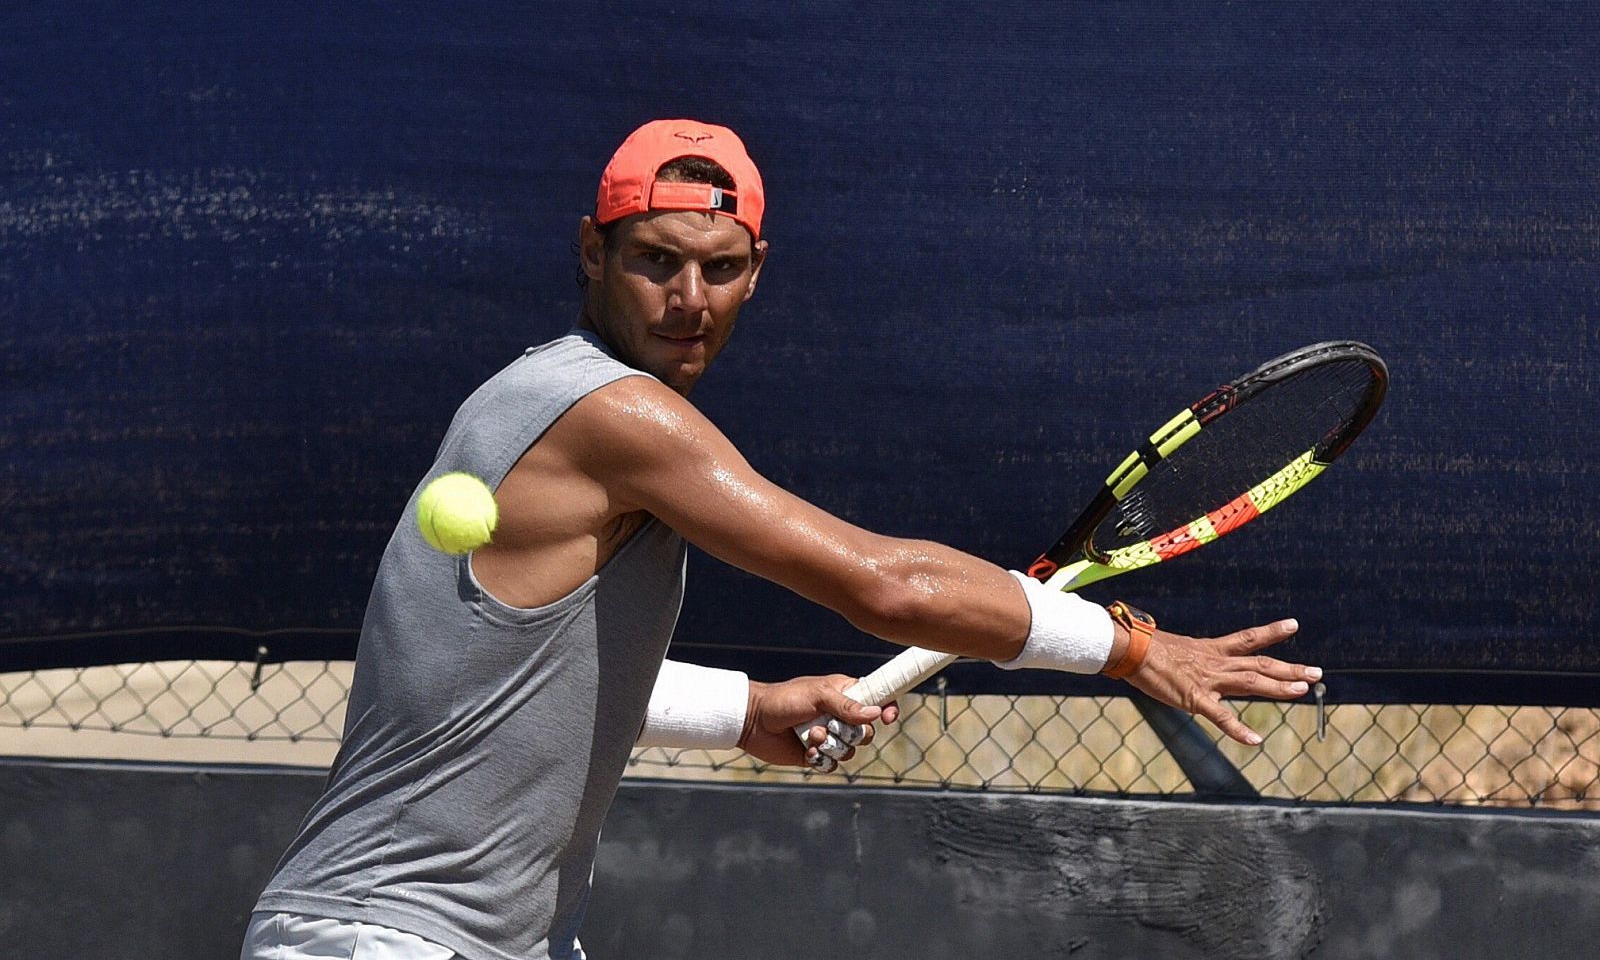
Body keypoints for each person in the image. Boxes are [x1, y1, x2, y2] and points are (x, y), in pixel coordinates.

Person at [245, 119, 1321, 960]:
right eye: (654, 260)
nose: (688, 299)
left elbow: (523, 683)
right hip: (387, 933)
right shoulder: (612, 413)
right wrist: (1128, 648)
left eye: (719, 268)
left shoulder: (521, 400)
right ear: (591, 252)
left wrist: (749, 712)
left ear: (756, 270)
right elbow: (887, 587)